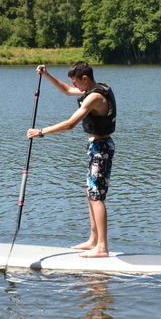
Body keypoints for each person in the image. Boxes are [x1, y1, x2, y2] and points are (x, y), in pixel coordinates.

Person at [27, 61, 116, 258]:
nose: (74, 86)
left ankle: (102, 247)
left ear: (85, 78)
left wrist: (41, 132)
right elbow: (67, 90)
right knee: (90, 192)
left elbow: (70, 124)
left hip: (101, 149)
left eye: (76, 82)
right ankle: (93, 240)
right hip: (97, 148)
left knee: (97, 197)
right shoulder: (95, 88)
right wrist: (47, 75)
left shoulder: (95, 97)